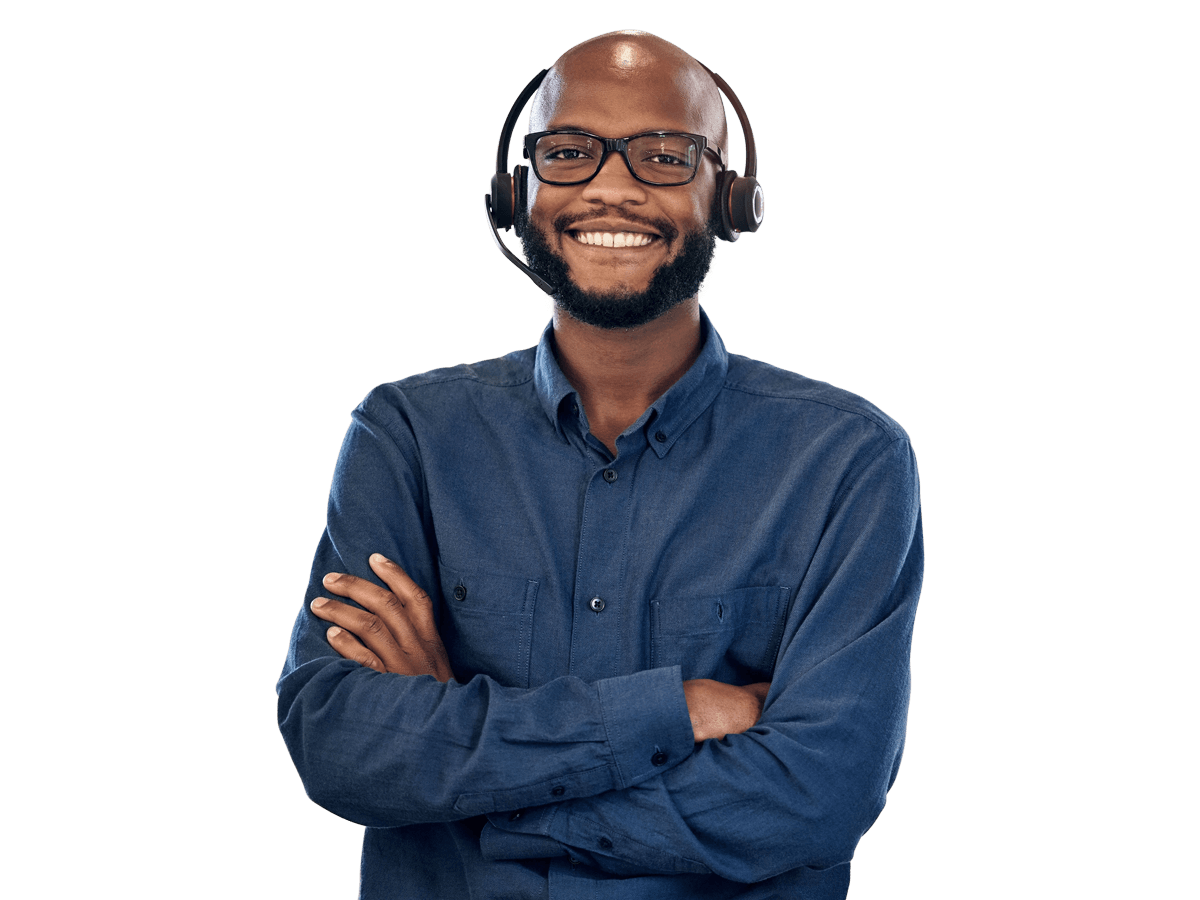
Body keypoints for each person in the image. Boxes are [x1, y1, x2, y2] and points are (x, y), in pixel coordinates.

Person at [277, 30, 922, 900]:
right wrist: (673, 711)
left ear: (731, 199)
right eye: (569, 152)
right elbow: (339, 744)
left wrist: (469, 776)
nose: (611, 187)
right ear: (517, 191)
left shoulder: (848, 460)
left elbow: (817, 792)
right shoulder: (409, 436)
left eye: (664, 154)